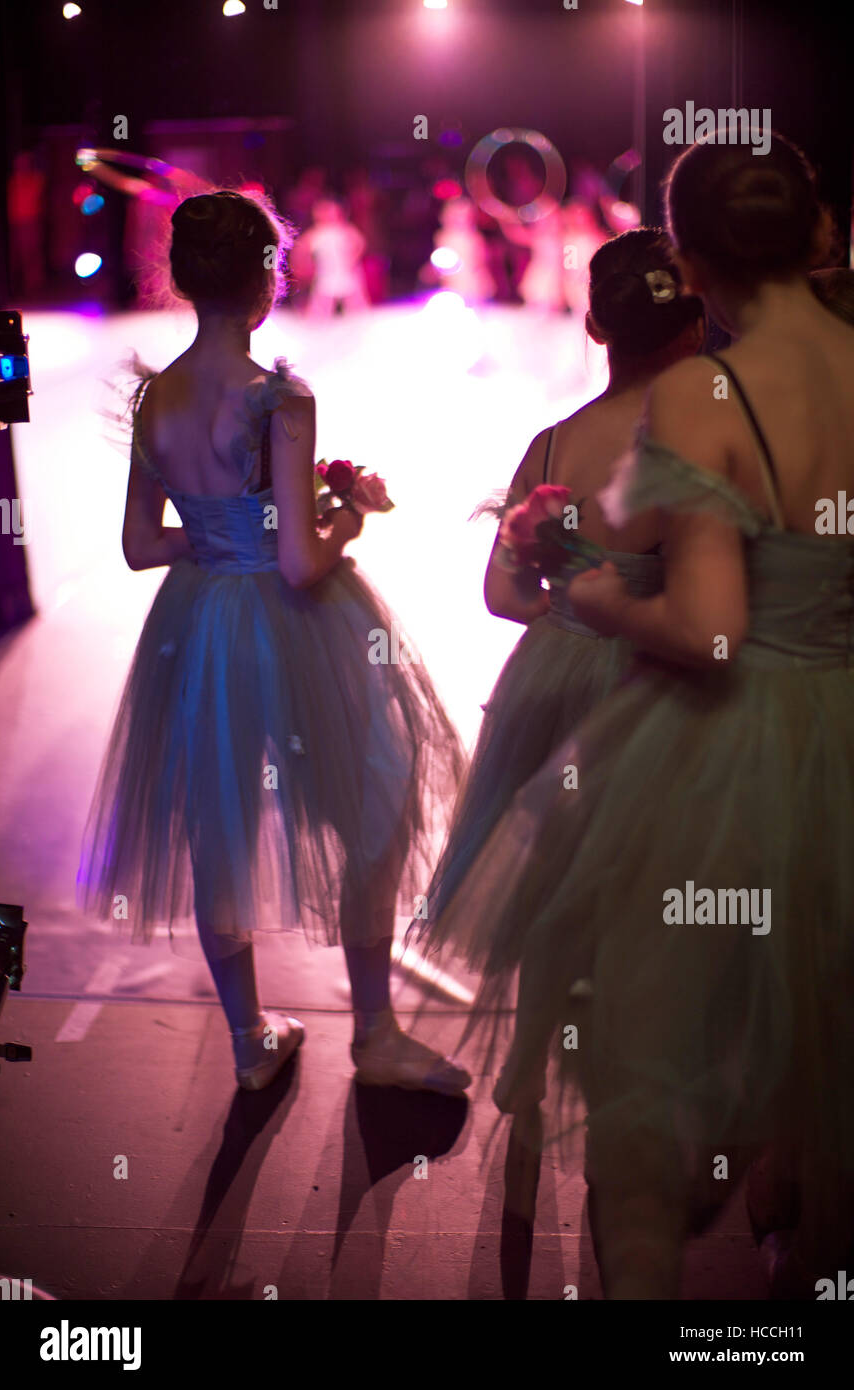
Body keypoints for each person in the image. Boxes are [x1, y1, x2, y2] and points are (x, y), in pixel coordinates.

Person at [418, 132, 854, 1298]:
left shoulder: (712, 392)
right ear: (815, 235)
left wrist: (597, 588)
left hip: (732, 748)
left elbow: (709, 627)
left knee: (645, 1104)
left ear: (697, 262)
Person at [78, 189, 469, 1097]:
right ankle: (374, 1031)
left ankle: (250, 1037)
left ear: (181, 278)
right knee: (373, 797)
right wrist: (346, 518)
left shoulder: (155, 397)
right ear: (268, 278)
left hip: (199, 621)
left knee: (220, 820)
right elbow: (298, 563)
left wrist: (222, 534)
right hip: (294, 624)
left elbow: (142, 545)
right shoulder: (281, 397)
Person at [412, 228, 705, 1105]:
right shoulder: (705, 444)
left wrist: (571, 609)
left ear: (595, 328)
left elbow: (503, 594)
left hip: (557, 677)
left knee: (551, 883)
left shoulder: (551, 447)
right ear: (694, 330)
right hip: (661, 683)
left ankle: (525, 1060)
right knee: (653, 887)